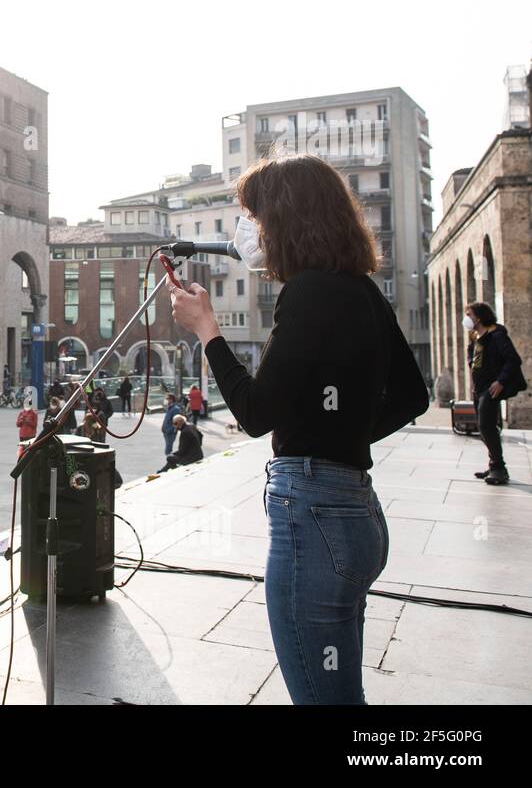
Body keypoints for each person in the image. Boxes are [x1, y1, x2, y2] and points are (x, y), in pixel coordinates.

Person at [169, 153, 427, 705]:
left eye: (256, 217)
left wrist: (207, 330)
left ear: (286, 219)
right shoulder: (362, 290)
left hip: (313, 516)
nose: (251, 232)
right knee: (338, 691)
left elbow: (256, 412)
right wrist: (344, 435)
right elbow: (414, 396)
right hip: (356, 513)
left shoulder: (307, 293)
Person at [465, 301, 526, 485]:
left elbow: (513, 360)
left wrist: (501, 381)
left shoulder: (497, 335)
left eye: (469, 315)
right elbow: (473, 360)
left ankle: (499, 468)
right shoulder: (476, 337)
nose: (467, 319)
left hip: (491, 388)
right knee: (483, 427)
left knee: (486, 426)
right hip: (479, 388)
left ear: (480, 317)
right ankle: (494, 464)